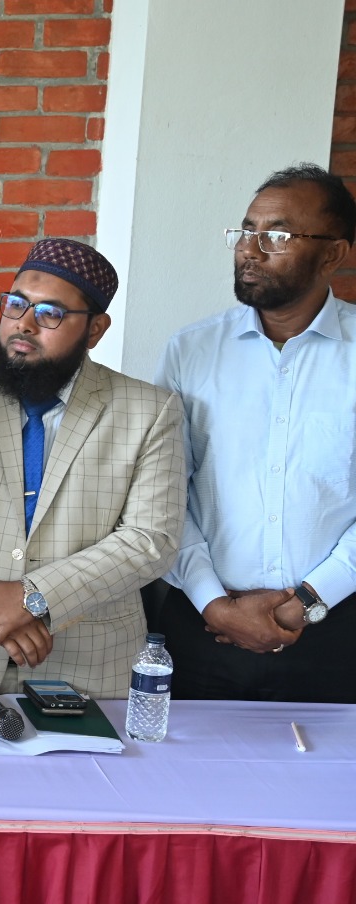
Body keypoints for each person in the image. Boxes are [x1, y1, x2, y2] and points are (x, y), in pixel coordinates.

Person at [0, 239, 186, 700]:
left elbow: (151, 539)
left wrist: (33, 597)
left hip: (86, 665)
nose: (23, 323)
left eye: (50, 313)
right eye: (15, 304)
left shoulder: (149, 410)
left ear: (95, 329)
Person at [154, 163, 356, 703]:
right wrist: (214, 603)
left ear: (334, 254)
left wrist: (305, 603)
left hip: (335, 630)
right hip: (201, 629)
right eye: (246, 231)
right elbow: (163, 493)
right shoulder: (191, 351)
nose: (250, 249)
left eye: (277, 236)